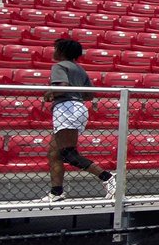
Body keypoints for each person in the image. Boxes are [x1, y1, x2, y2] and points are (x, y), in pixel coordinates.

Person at [39, 38, 115, 202]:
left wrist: (49, 93)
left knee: (68, 153)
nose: (53, 51)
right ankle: (56, 192)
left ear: (61, 51)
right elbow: (89, 94)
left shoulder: (59, 66)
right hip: (77, 108)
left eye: (55, 48)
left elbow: (62, 87)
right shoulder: (80, 70)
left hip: (66, 108)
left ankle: (107, 177)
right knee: (54, 153)